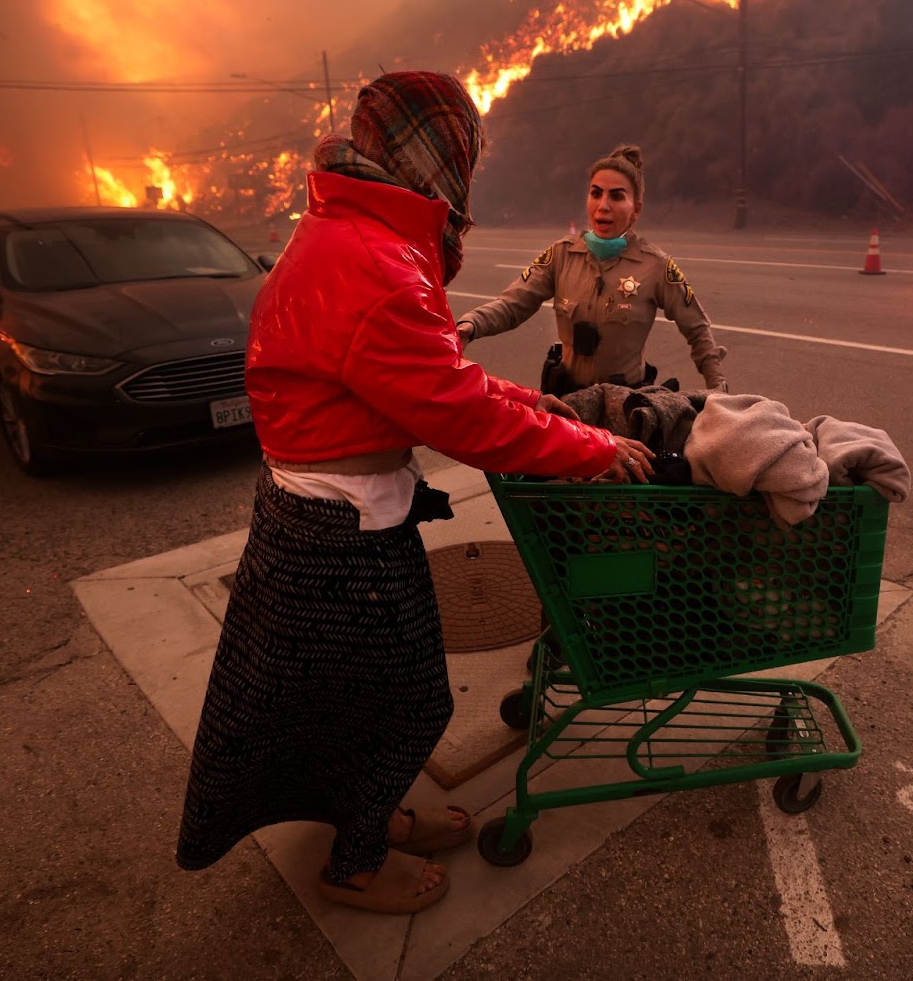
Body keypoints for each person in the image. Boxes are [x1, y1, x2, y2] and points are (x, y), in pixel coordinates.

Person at [175, 71, 655, 916]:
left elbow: (430, 379)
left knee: (351, 697)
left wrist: (529, 401)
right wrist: (586, 448)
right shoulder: (374, 258)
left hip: (326, 512)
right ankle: (355, 862)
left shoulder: (351, 227)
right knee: (408, 702)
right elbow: (452, 413)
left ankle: (375, 813)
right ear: (442, 156)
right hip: (337, 531)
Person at [456, 144, 728, 395]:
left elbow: (697, 330)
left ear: (636, 210)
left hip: (625, 406)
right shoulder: (561, 255)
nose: (603, 205)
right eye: (596, 193)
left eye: (617, 196)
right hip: (567, 404)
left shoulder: (656, 266)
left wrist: (718, 389)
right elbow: (511, 305)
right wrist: (471, 325)